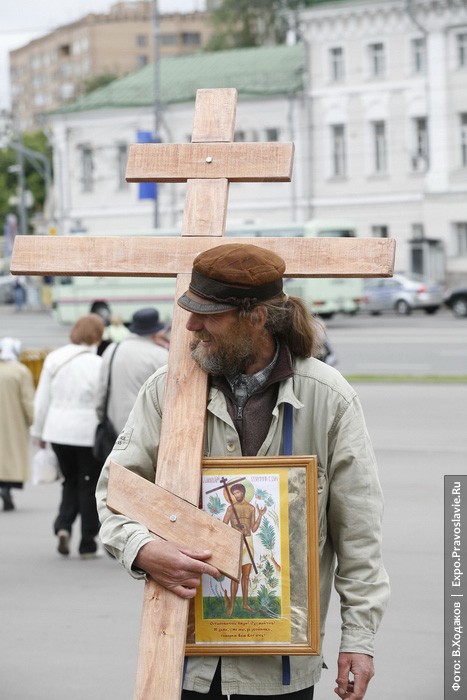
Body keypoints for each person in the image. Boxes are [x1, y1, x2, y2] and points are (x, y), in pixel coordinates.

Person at [96, 243, 389, 699]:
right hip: (183, 660)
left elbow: (359, 532)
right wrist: (143, 549)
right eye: (190, 311)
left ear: (256, 318)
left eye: (208, 315)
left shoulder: (328, 396)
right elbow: (115, 493)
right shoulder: (166, 390)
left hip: (282, 668)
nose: (190, 326)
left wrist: (359, 638)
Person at [31, 314, 104, 559]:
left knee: (69, 480)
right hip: (86, 432)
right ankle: (87, 543)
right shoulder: (98, 363)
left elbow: (42, 400)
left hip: (57, 431)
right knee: (89, 485)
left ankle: (63, 525)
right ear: (98, 335)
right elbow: (101, 401)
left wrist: (38, 432)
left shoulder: (54, 358)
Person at [95, 307, 169, 436]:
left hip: (114, 429)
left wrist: (102, 418)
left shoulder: (112, 350)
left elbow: (101, 393)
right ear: (156, 331)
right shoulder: (160, 355)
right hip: (146, 432)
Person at [0, 337, 35, 511]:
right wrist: (32, 420)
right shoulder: (20, 371)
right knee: (11, 456)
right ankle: (6, 488)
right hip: (14, 422)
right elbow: (27, 400)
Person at [223, 482, 266, 617]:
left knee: (246, 576)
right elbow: (223, 525)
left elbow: (253, 529)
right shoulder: (231, 508)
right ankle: (231, 605)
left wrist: (260, 515)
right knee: (234, 576)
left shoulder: (251, 508)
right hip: (236, 541)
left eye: (238, 492)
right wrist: (235, 530)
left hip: (248, 541)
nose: (236, 495)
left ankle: (245, 604)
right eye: (234, 493)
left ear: (243, 492)